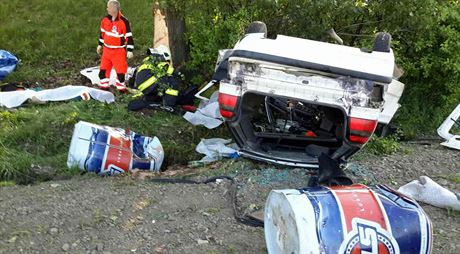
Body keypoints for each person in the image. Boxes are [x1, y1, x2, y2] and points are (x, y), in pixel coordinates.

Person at [127, 45, 196, 111]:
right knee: (172, 83)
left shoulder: (149, 60)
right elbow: (170, 71)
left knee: (161, 85)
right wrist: (180, 76)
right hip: (149, 83)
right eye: (167, 60)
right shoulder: (160, 60)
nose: (167, 62)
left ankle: (151, 99)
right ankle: (169, 105)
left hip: (144, 86)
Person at [97, 0, 134, 91]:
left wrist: (129, 50)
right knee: (103, 71)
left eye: (109, 7)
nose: (107, 9)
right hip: (106, 51)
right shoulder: (105, 20)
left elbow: (128, 36)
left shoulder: (124, 21)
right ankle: (104, 88)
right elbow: (102, 33)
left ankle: (121, 89)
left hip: (118, 51)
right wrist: (100, 44)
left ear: (116, 9)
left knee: (120, 73)